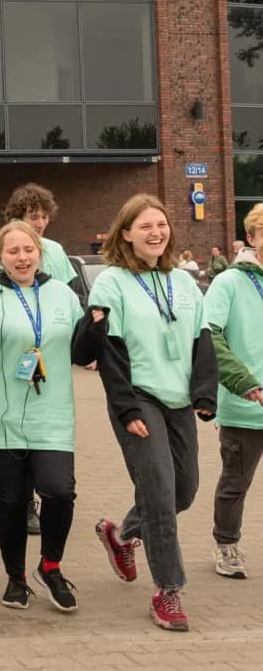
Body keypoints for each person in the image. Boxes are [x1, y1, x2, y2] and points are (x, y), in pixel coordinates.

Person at [81, 195, 217, 631]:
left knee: (185, 491)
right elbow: (110, 351)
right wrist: (124, 409)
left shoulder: (183, 280)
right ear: (126, 234)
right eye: (145, 226)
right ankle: (169, 590)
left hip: (178, 398)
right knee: (159, 491)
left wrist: (203, 393)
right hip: (138, 398)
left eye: (160, 224)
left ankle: (121, 535)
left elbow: (202, 340)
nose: (155, 232)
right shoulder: (111, 283)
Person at [0, 221, 87, 612]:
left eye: (28, 250)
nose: (22, 257)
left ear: (39, 253)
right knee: (11, 503)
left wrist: (98, 327)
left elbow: (81, 352)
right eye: (12, 251)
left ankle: (50, 566)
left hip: (51, 413)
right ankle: (15, 578)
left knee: (59, 490)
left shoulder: (62, 294)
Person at [204, 203, 263, 580]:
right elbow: (210, 335)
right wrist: (243, 382)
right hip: (247, 406)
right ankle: (227, 545)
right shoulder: (229, 282)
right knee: (235, 484)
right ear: (253, 238)